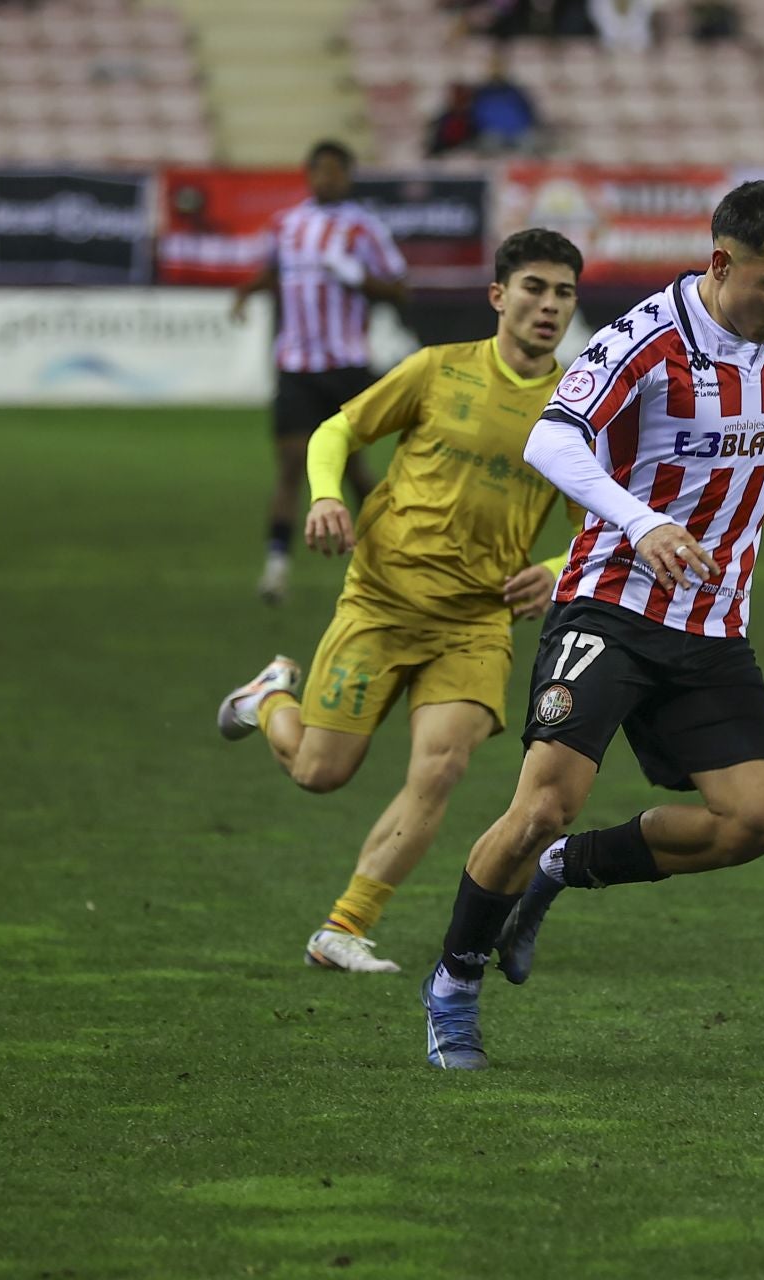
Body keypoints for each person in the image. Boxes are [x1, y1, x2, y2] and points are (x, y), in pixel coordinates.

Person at [417, 181, 764, 1069]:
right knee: (542, 803)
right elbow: (551, 440)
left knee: (755, 820)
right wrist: (643, 521)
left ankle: (562, 872)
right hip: (613, 604)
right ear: (720, 264)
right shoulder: (644, 339)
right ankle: (453, 986)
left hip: (711, 625)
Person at [215, 228, 587, 976]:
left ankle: (343, 927)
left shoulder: (579, 405)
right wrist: (326, 496)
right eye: (535, 289)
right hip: (382, 602)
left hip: (476, 621)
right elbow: (336, 430)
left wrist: (552, 567)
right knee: (321, 772)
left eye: (564, 294)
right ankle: (268, 701)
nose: (549, 306)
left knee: (441, 769)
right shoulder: (435, 370)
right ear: (499, 297)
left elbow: (598, 530)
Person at [229, 140, 408, 606]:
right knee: (290, 463)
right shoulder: (288, 224)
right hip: (296, 365)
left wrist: (357, 277)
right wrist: (247, 291)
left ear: (348, 176)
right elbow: (276, 271)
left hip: (347, 364)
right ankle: (276, 569)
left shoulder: (364, 229)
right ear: (309, 175)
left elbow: (399, 289)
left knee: (353, 469)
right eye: (319, 170)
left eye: (335, 170)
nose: (326, 178)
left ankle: (395, 555)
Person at [469, 54, 541, 153]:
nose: (497, 72)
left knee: (529, 141)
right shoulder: (482, 93)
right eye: (493, 69)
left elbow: (529, 113)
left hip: (518, 133)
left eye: (499, 69)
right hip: (493, 135)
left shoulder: (515, 91)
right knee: (490, 142)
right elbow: (477, 118)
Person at [426, 83, 479, 157]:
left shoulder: (473, 119)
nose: (459, 98)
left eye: (462, 96)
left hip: (466, 155)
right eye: (457, 95)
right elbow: (434, 145)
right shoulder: (443, 119)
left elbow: (474, 141)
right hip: (443, 156)